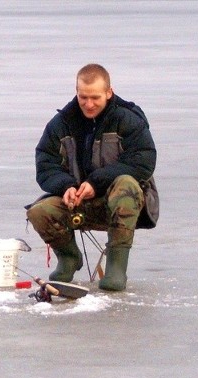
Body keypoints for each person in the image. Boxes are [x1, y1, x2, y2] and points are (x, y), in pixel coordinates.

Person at [26, 64, 159, 291]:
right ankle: (69, 258)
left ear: (109, 92)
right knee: (38, 211)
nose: (89, 104)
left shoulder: (128, 120)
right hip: (78, 203)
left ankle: (116, 268)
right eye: (83, 97)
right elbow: (46, 162)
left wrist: (96, 183)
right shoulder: (61, 123)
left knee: (126, 184)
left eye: (95, 97)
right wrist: (65, 186)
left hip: (123, 205)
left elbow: (142, 161)